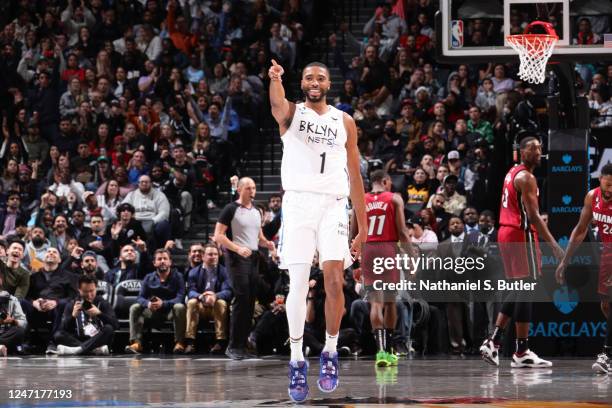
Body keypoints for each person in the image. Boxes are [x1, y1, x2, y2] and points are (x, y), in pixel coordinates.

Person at [269, 59, 367, 402]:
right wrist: (275, 79)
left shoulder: (345, 121)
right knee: (297, 283)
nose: (314, 81)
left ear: (329, 83)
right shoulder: (292, 114)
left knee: (334, 277)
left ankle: (329, 351)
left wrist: (363, 224)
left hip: (334, 204)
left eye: (320, 77)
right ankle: (297, 359)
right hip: (297, 203)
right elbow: (276, 104)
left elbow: (355, 174)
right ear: (302, 82)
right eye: (309, 77)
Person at [480, 137, 564, 368]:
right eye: (532, 148)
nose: (538, 151)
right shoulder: (527, 177)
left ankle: (494, 341)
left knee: (518, 288)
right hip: (520, 233)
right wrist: (554, 245)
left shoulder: (512, 172)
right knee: (527, 289)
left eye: (539, 148)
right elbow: (534, 216)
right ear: (520, 151)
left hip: (507, 232)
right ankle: (521, 350)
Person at [555, 163, 612, 373]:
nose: (611, 190)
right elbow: (580, 230)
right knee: (605, 307)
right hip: (607, 254)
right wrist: (565, 260)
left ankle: (607, 355)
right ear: (600, 180)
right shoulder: (592, 196)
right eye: (608, 185)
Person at [213, 177, 275, 360]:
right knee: (241, 299)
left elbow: (259, 237)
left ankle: (243, 344)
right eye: (248, 188)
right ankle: (233, 346)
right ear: (240, 189)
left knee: (249, 301)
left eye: (254, 188)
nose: (252, 191)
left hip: (253, 258)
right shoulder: (231, 209)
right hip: (236, 257)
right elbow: (218, 235)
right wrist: (237, 248)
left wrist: (268, 244)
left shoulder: (256, 211)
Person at [358, 170, 410, 367]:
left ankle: (380, 351)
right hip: (388, 248)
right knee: (390, 303)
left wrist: (356, 263)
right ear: (386, 182)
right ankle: (388, 350)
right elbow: (403, 232)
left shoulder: (361, 199)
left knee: (375, 303)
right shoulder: (394, 198)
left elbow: (354, 232)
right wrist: (411, 257)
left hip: (369, 249)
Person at [125, 249, 187, 354]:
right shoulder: (148, 277)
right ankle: (136, 343)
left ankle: (179, 343)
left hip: (170, 312)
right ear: (154, 263)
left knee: (180, 307)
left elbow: (180, 297)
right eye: (159, 259)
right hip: (152, 311)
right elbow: (140, 298)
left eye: (165, 259)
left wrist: (164, 303)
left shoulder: (178, 277)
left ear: (170, 262)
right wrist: (148, 304)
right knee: (135, 307)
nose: (162, 261)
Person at [184, 244, 232, 354]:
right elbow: (190, 291)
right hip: (201, 305)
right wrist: (201, 297)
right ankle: (190, 342)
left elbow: (228, 291)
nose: (213, 257)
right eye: (210, 254)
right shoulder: (193, 272)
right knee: (191, 302)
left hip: (216, 306)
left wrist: (215, 296)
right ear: (203, 256)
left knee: (221, 302)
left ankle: (220, 342)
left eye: (215, 254)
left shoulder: (224, 271)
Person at [54, 275, 119, 356]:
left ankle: (77, 350)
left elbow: (115, 325)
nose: (89, 295)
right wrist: (73, 317)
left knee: (108, 329)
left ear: (96, 288)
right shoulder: (72, 304)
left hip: (97, 338)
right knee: (58, 335)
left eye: (92, 291)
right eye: (85, 291)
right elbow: (64, 329)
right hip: (78, 338)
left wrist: (99, 314)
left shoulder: (102, 303)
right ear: (79, 290)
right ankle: (93, 350)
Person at [0, 272, 27, 357]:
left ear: (1, 281)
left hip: (6, 334)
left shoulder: (11, 299)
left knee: (19, 331)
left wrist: (13, 321)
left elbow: (24, 322)